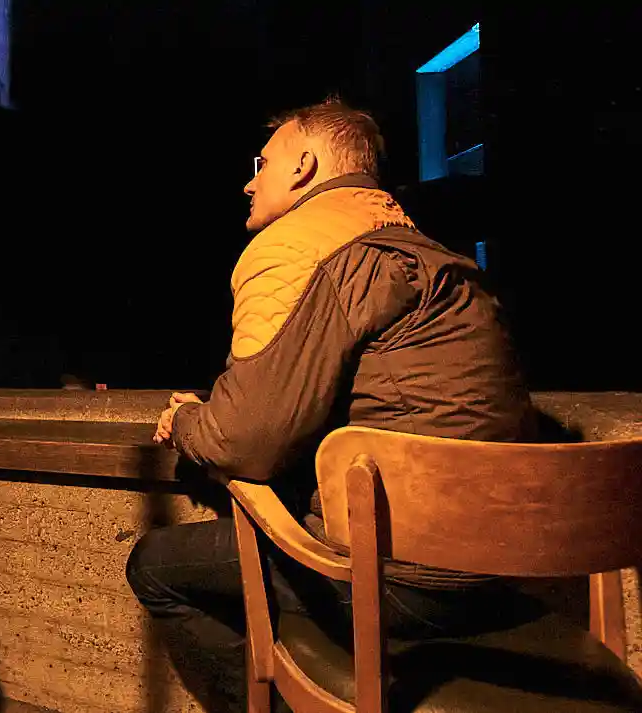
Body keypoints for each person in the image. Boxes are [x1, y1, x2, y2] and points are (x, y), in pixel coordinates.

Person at [128, 98, 536, 711]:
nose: (249, 180)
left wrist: (187, 421)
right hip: (507, 562)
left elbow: (247, 443)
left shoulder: (296, 245)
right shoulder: (417, 247)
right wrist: (225, 408)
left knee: (156, 566)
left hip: (410, 576)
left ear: (304, 166)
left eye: (261, 163)